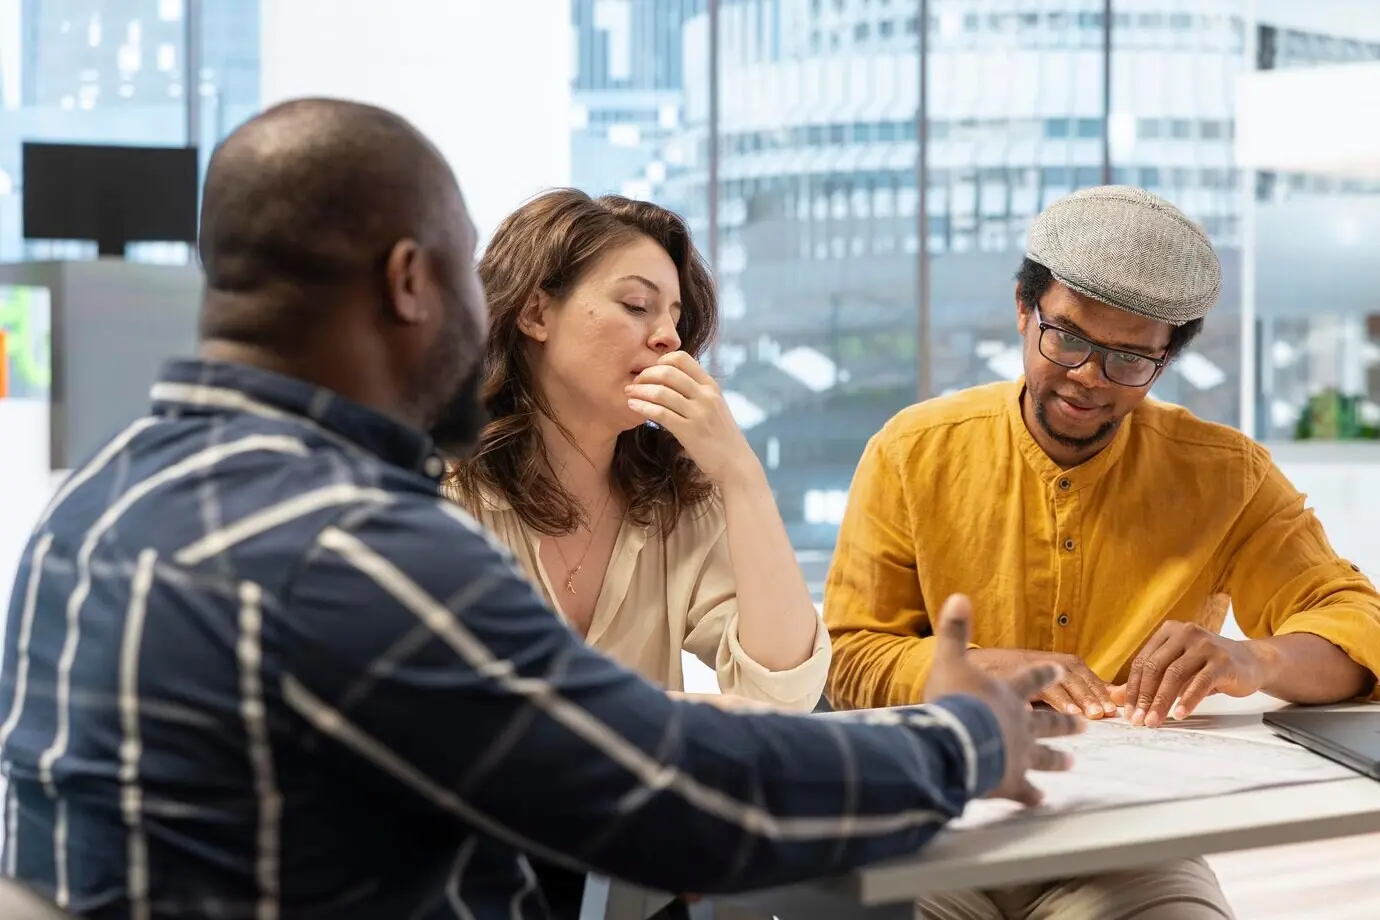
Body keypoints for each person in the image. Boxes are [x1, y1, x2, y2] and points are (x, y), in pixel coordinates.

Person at [0, 97, 1081, 920]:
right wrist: (961, 740)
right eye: (468, 279)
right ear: (412, 282)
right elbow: (677, 796)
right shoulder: (353, 546)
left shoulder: (100, 494)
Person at [824, 185, 1380, 919]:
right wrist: (975, 670)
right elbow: (847, 660)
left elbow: (1358, 625)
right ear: (1023, 309)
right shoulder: (911, 451)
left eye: (1129, 359)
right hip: (932, 823)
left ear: (1165, 359)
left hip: (1130, 845)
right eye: (1068, 339)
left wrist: (1257, 659)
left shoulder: (1227, 475)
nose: (1089, 377)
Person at [445, 189, 827, 713]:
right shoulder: (440, 488)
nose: (669, 337)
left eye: (675, 317)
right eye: (636, 306)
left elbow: (784, 693)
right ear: (536, 313)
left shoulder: (678, 499)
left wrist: (741, 473)